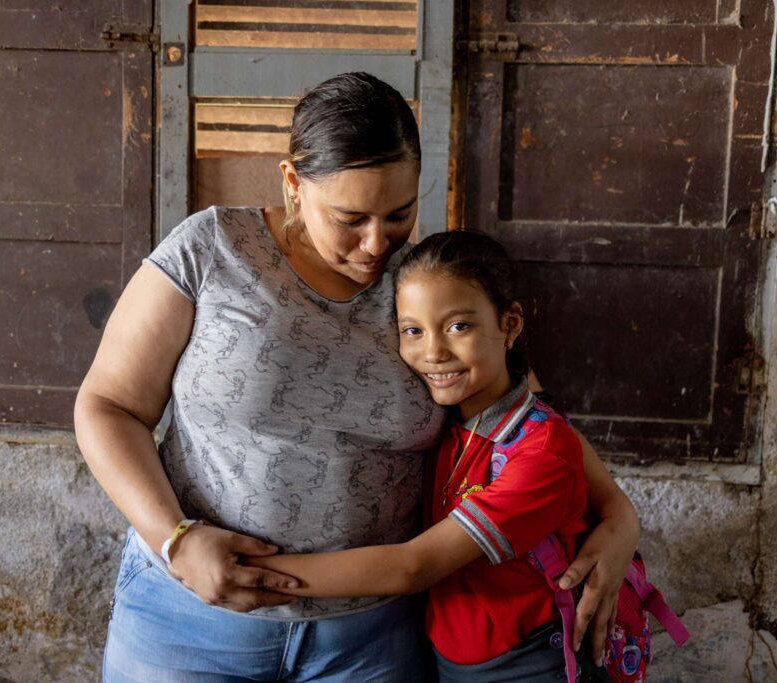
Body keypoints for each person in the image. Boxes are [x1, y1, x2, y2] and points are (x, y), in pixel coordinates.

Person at [74, 72, 639, 681]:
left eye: (399, 213)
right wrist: (176, 541)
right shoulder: (213, 250)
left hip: (370, 641)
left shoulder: (428, 282)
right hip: (189, 621)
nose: (376, 244)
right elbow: (108, 405)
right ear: (292, 182)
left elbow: (523, 416)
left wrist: (620, 519)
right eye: (350, 217)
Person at [248, 230, 609, 680]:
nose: (434, 352)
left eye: (459, 326)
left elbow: (411, 567)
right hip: (448, 660)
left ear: (510, 324)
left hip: (531, 663)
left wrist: (253, 573)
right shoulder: (443, 425)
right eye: (413, 331)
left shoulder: (540, 452)